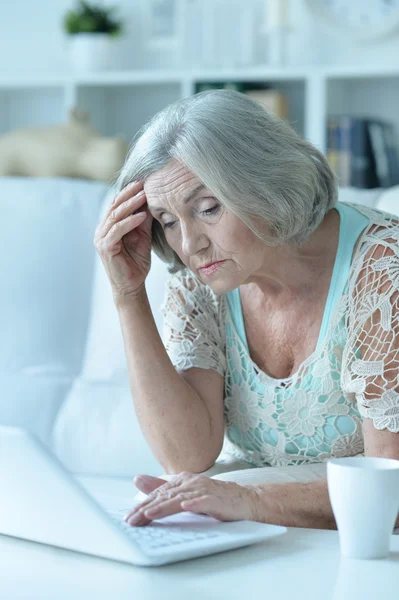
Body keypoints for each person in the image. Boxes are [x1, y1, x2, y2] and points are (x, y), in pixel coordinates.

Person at [94, 89, 399, 530]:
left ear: (262, 183)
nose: (189, 243)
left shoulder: (383, 271)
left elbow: (388, 486)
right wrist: (128, 296)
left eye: (208, 208)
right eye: (168, 221)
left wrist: (248, 498)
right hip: (267, 526)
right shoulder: (203, 281)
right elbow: (187, 455)